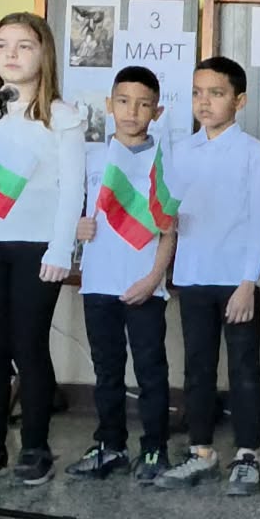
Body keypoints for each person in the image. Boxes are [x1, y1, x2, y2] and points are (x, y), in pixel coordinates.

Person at [0, 12, 85, 486]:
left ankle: (34, 447)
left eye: (24, 45)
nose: (11, 54)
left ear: (44, 54)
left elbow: (72, 189)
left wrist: (61, 249)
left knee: (29, 345)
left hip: (38, 247)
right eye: (2, 44)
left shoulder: (62, 116)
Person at [158, 57, 260, 496]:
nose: (204, 102)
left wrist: (248, 282)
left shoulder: (253, 154)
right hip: (192, 276)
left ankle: (247, 455)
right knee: (197, 367)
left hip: (236, 280)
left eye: (216, 93)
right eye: (197, 93)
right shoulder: (181, 151)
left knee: (244, 368)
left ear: (239, 101)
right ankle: (201, 451)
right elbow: (170, 213)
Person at [66, 66, 178, 483]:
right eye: (124, 101)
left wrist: (153, 279)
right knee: (106, 370)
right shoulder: (92, 157)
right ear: (109, 105)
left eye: (144, 104)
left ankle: (154, 448)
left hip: (144, 285)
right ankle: (109, 445)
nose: (132, 112)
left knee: (150, 371)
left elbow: (169, 230)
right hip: (98, 282)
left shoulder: (163, 161)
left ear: (157, 111)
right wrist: (77, 226)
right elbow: (73, 212)